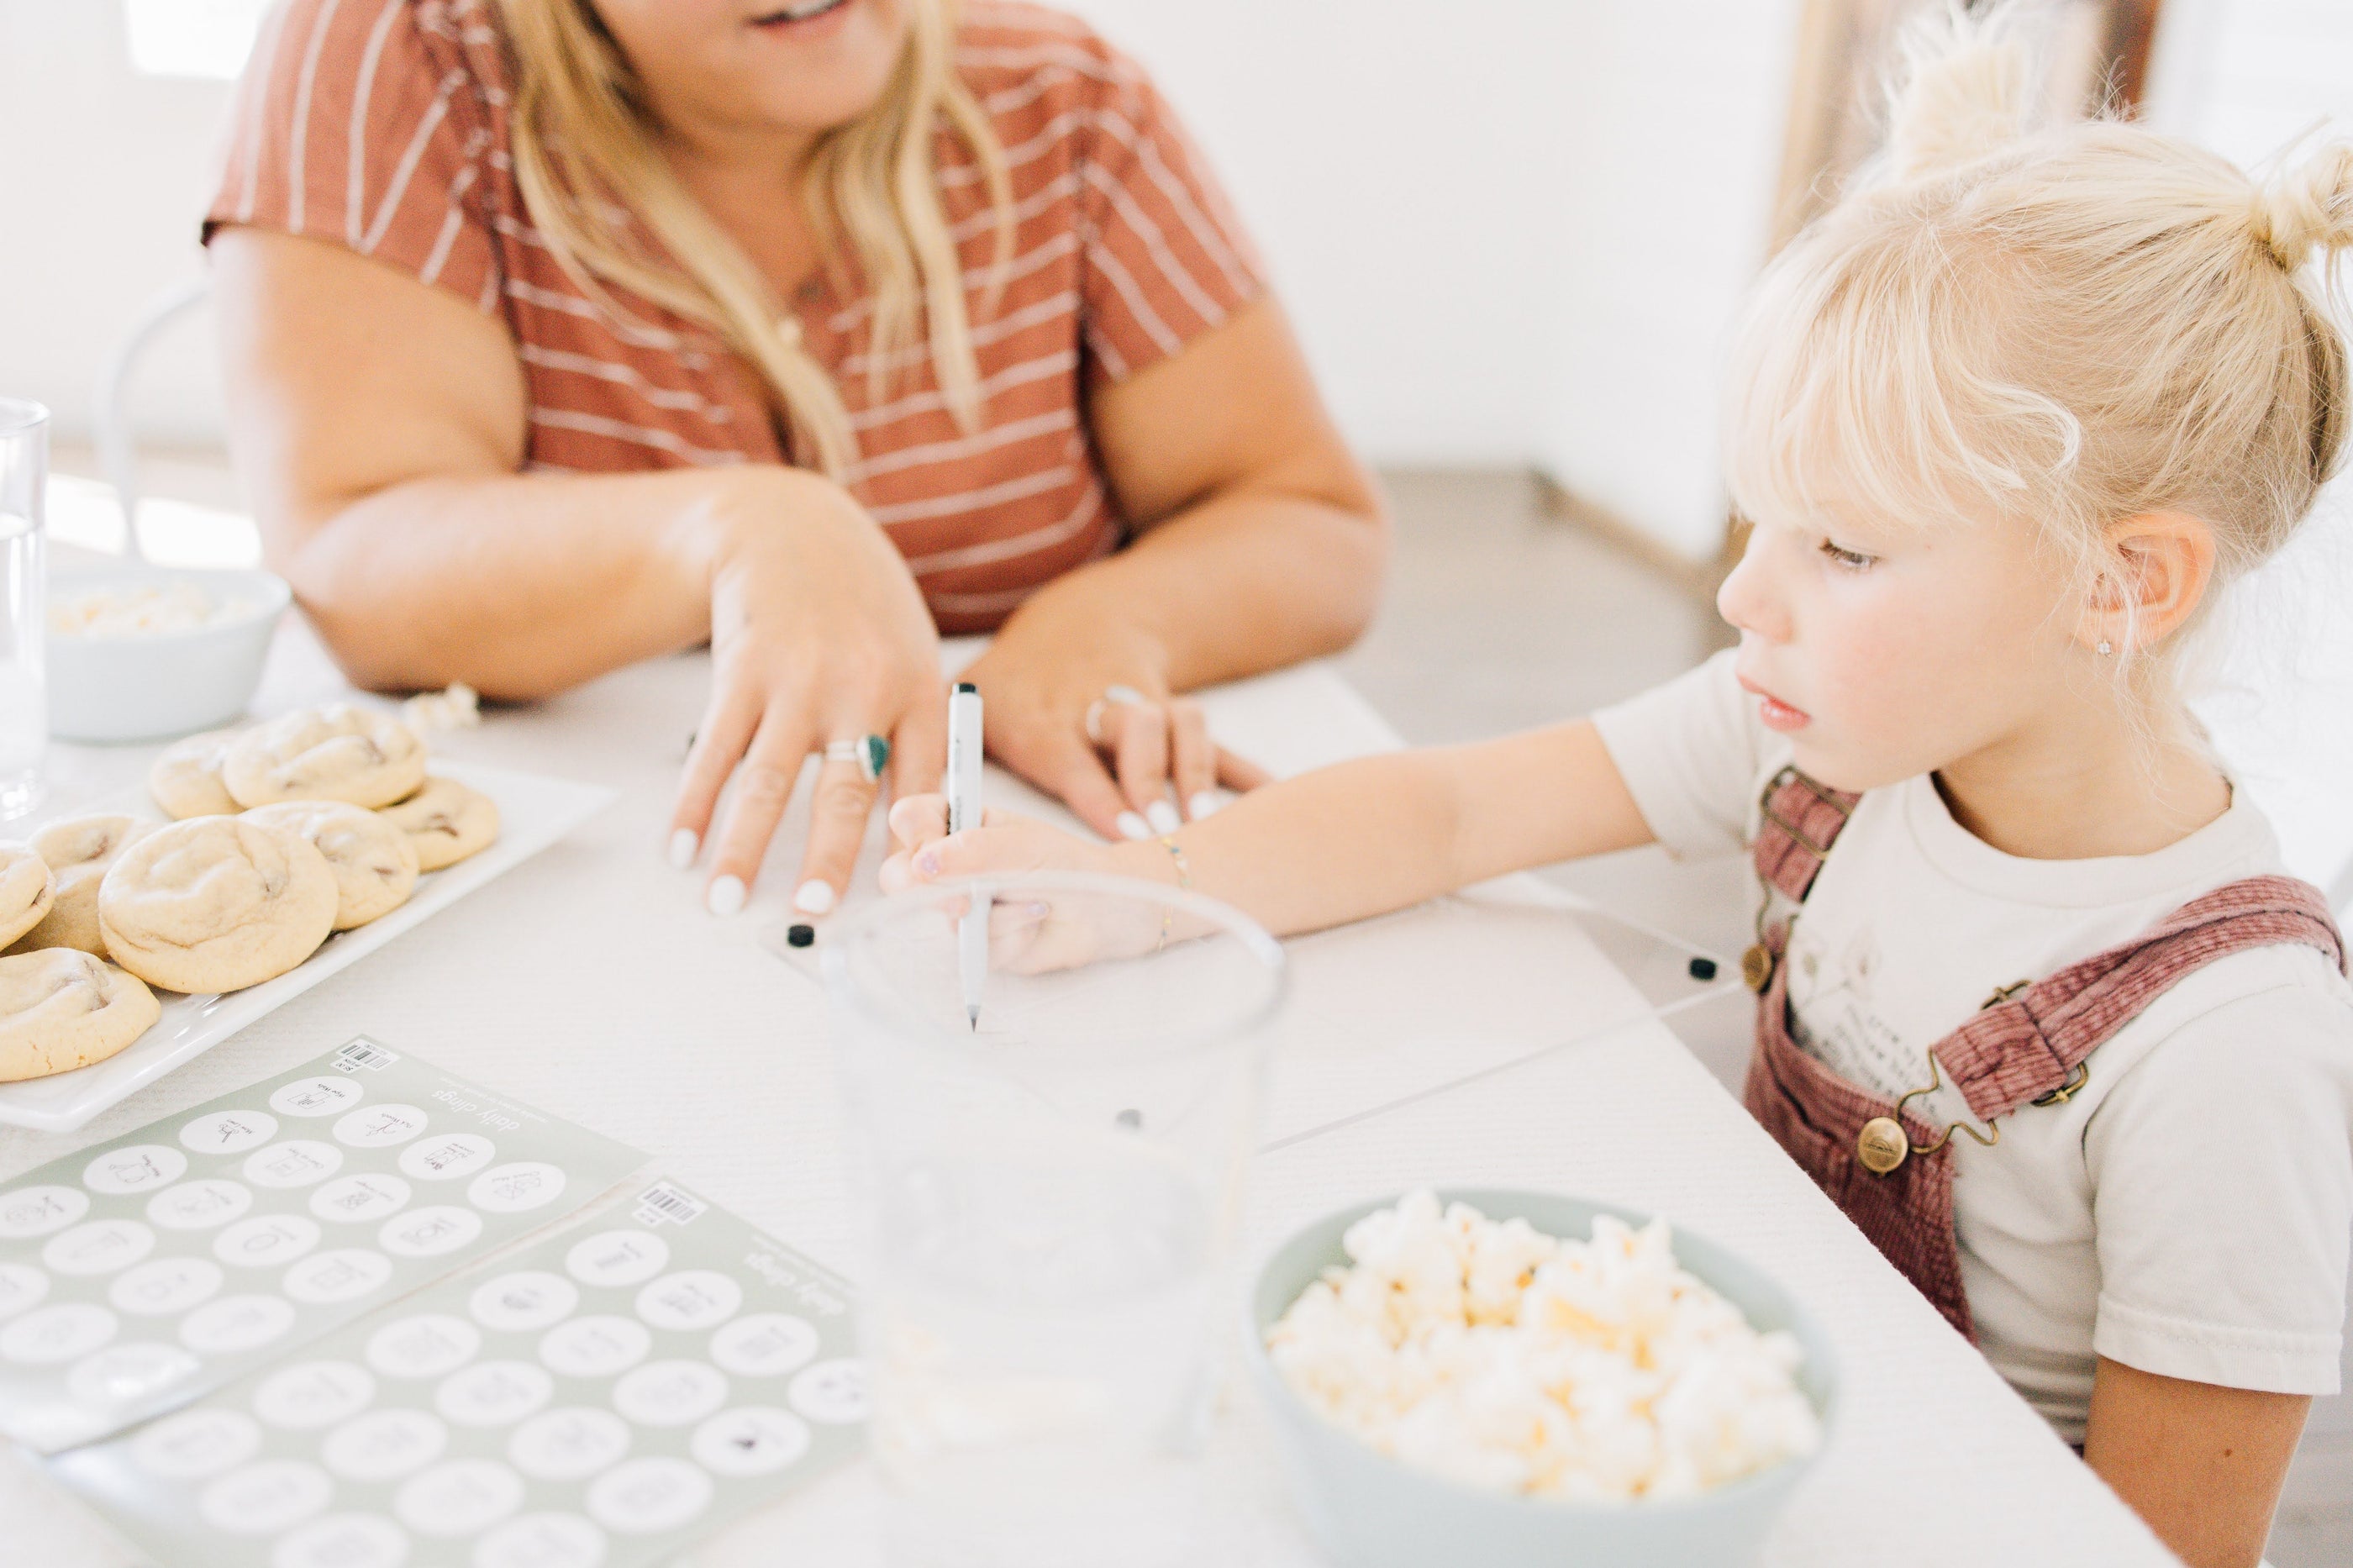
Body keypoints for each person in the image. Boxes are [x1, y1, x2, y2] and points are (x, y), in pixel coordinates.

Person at [882, 8, 2353, 1564]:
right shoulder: (1823, 734)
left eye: (1844, 549)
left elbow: (2169, 1547)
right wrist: (1127, 896)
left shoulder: (2229, 1049)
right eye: (1761, 522)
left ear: (2124, 584)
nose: (1745, 599)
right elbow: (1449, 809)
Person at [203, 0, 1386, 917]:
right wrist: (735, 528)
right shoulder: (394, 54)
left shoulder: (1062, 93)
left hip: (1018, 884)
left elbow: (1311, 517)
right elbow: (352, 548)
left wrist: (1102, 630)